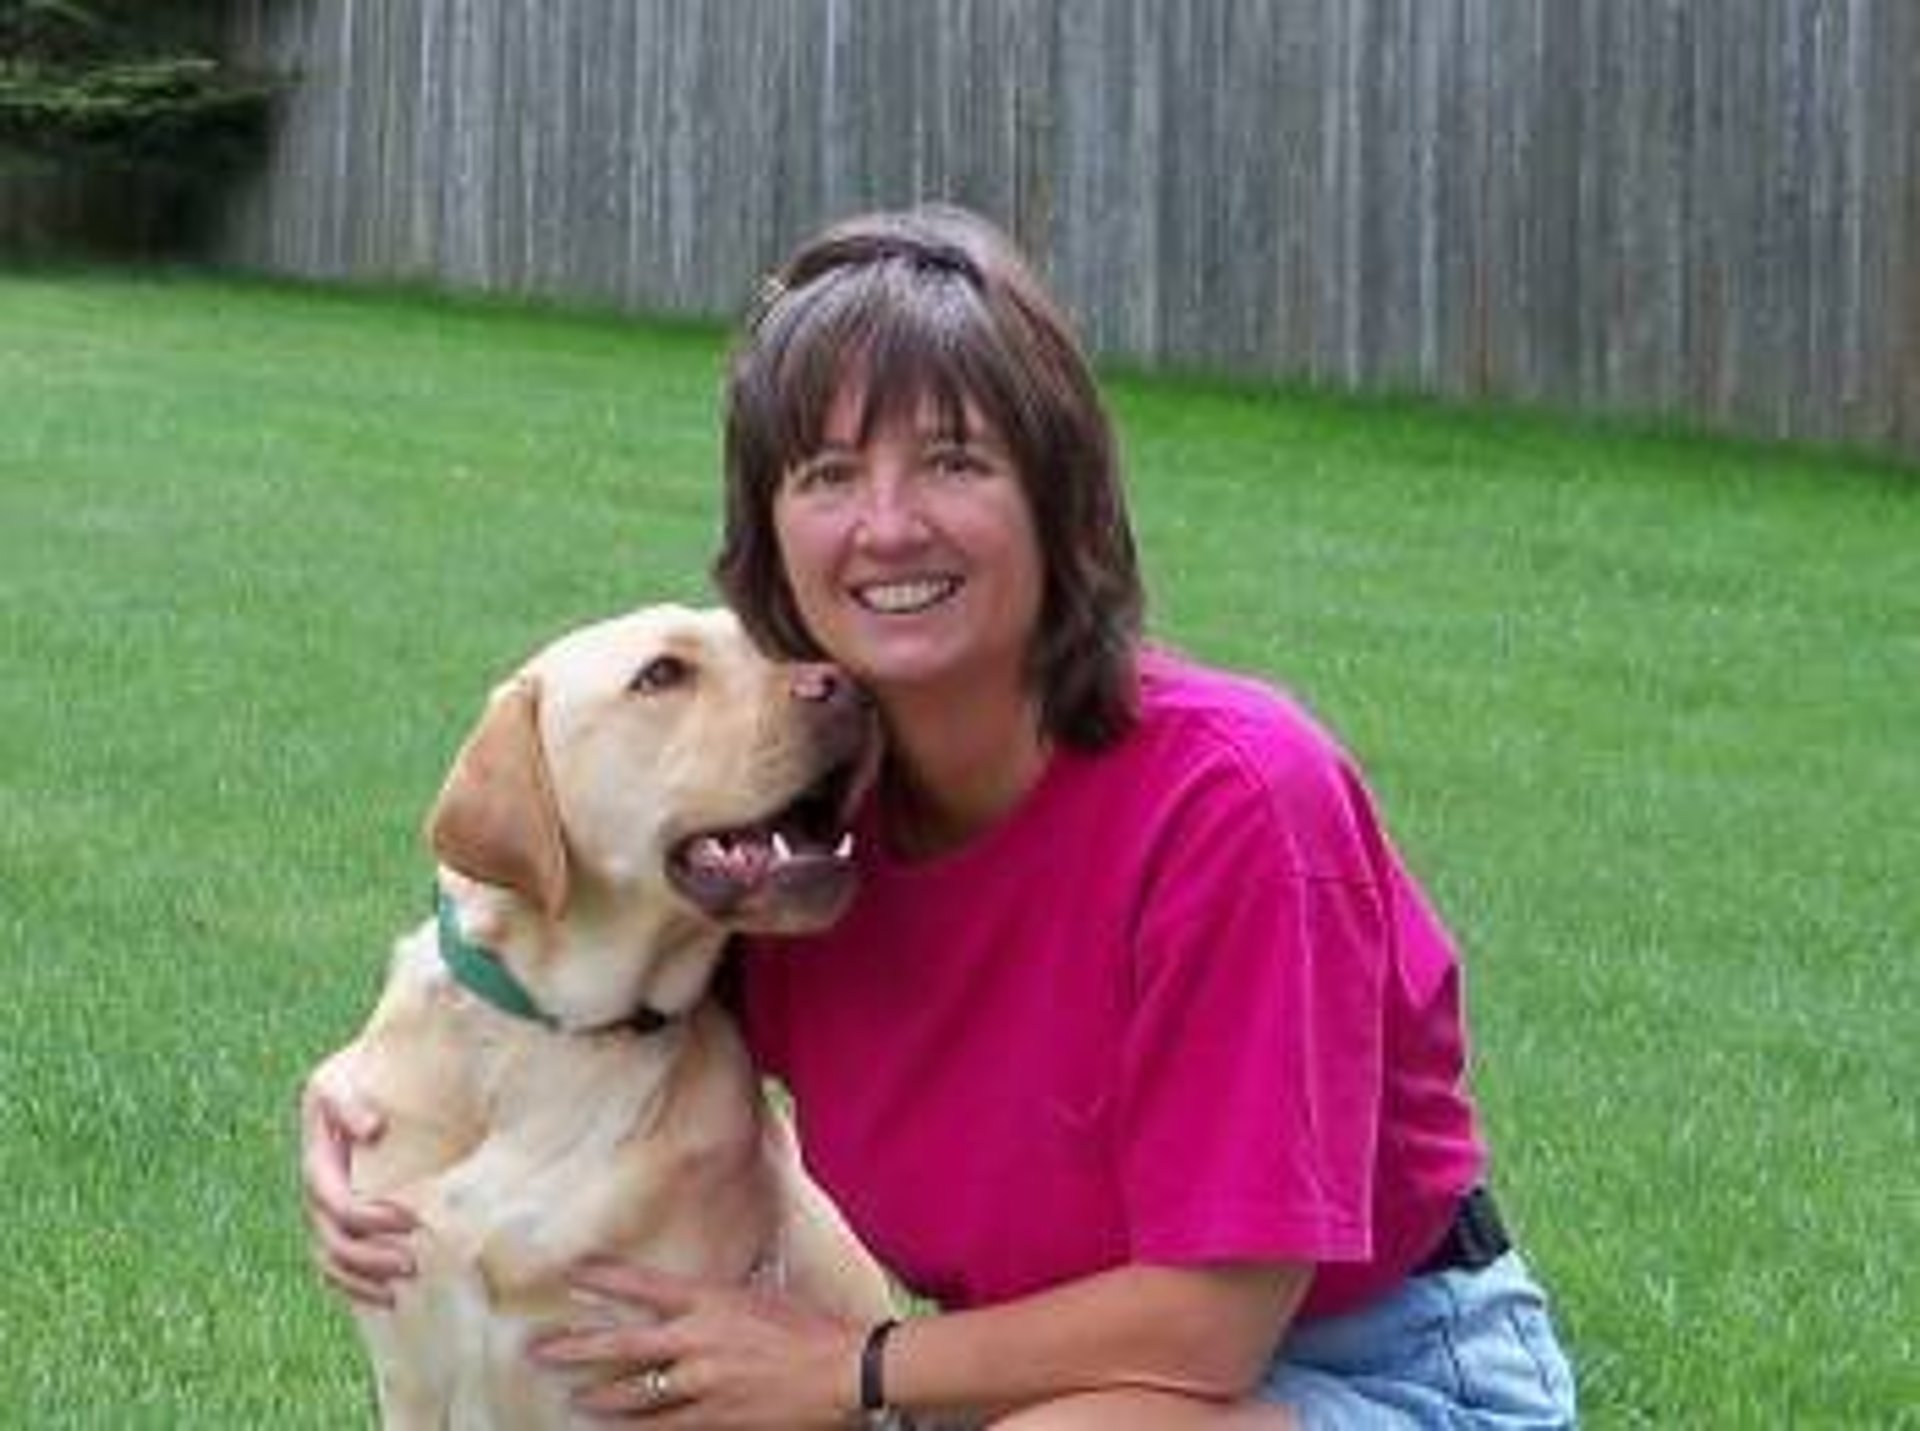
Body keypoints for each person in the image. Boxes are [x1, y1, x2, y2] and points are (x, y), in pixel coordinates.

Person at [303, 204, 1578, 1428]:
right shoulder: (794, 852)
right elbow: (552, 954)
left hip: (1375, 1374)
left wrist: (858, 1369)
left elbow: (1211, 1327)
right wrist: (370, 1117)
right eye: (828, 472)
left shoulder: (1235, 800)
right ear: (769, 532)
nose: (888, 524)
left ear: (1061, 501)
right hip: (1023, 1386)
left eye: (953, 461)